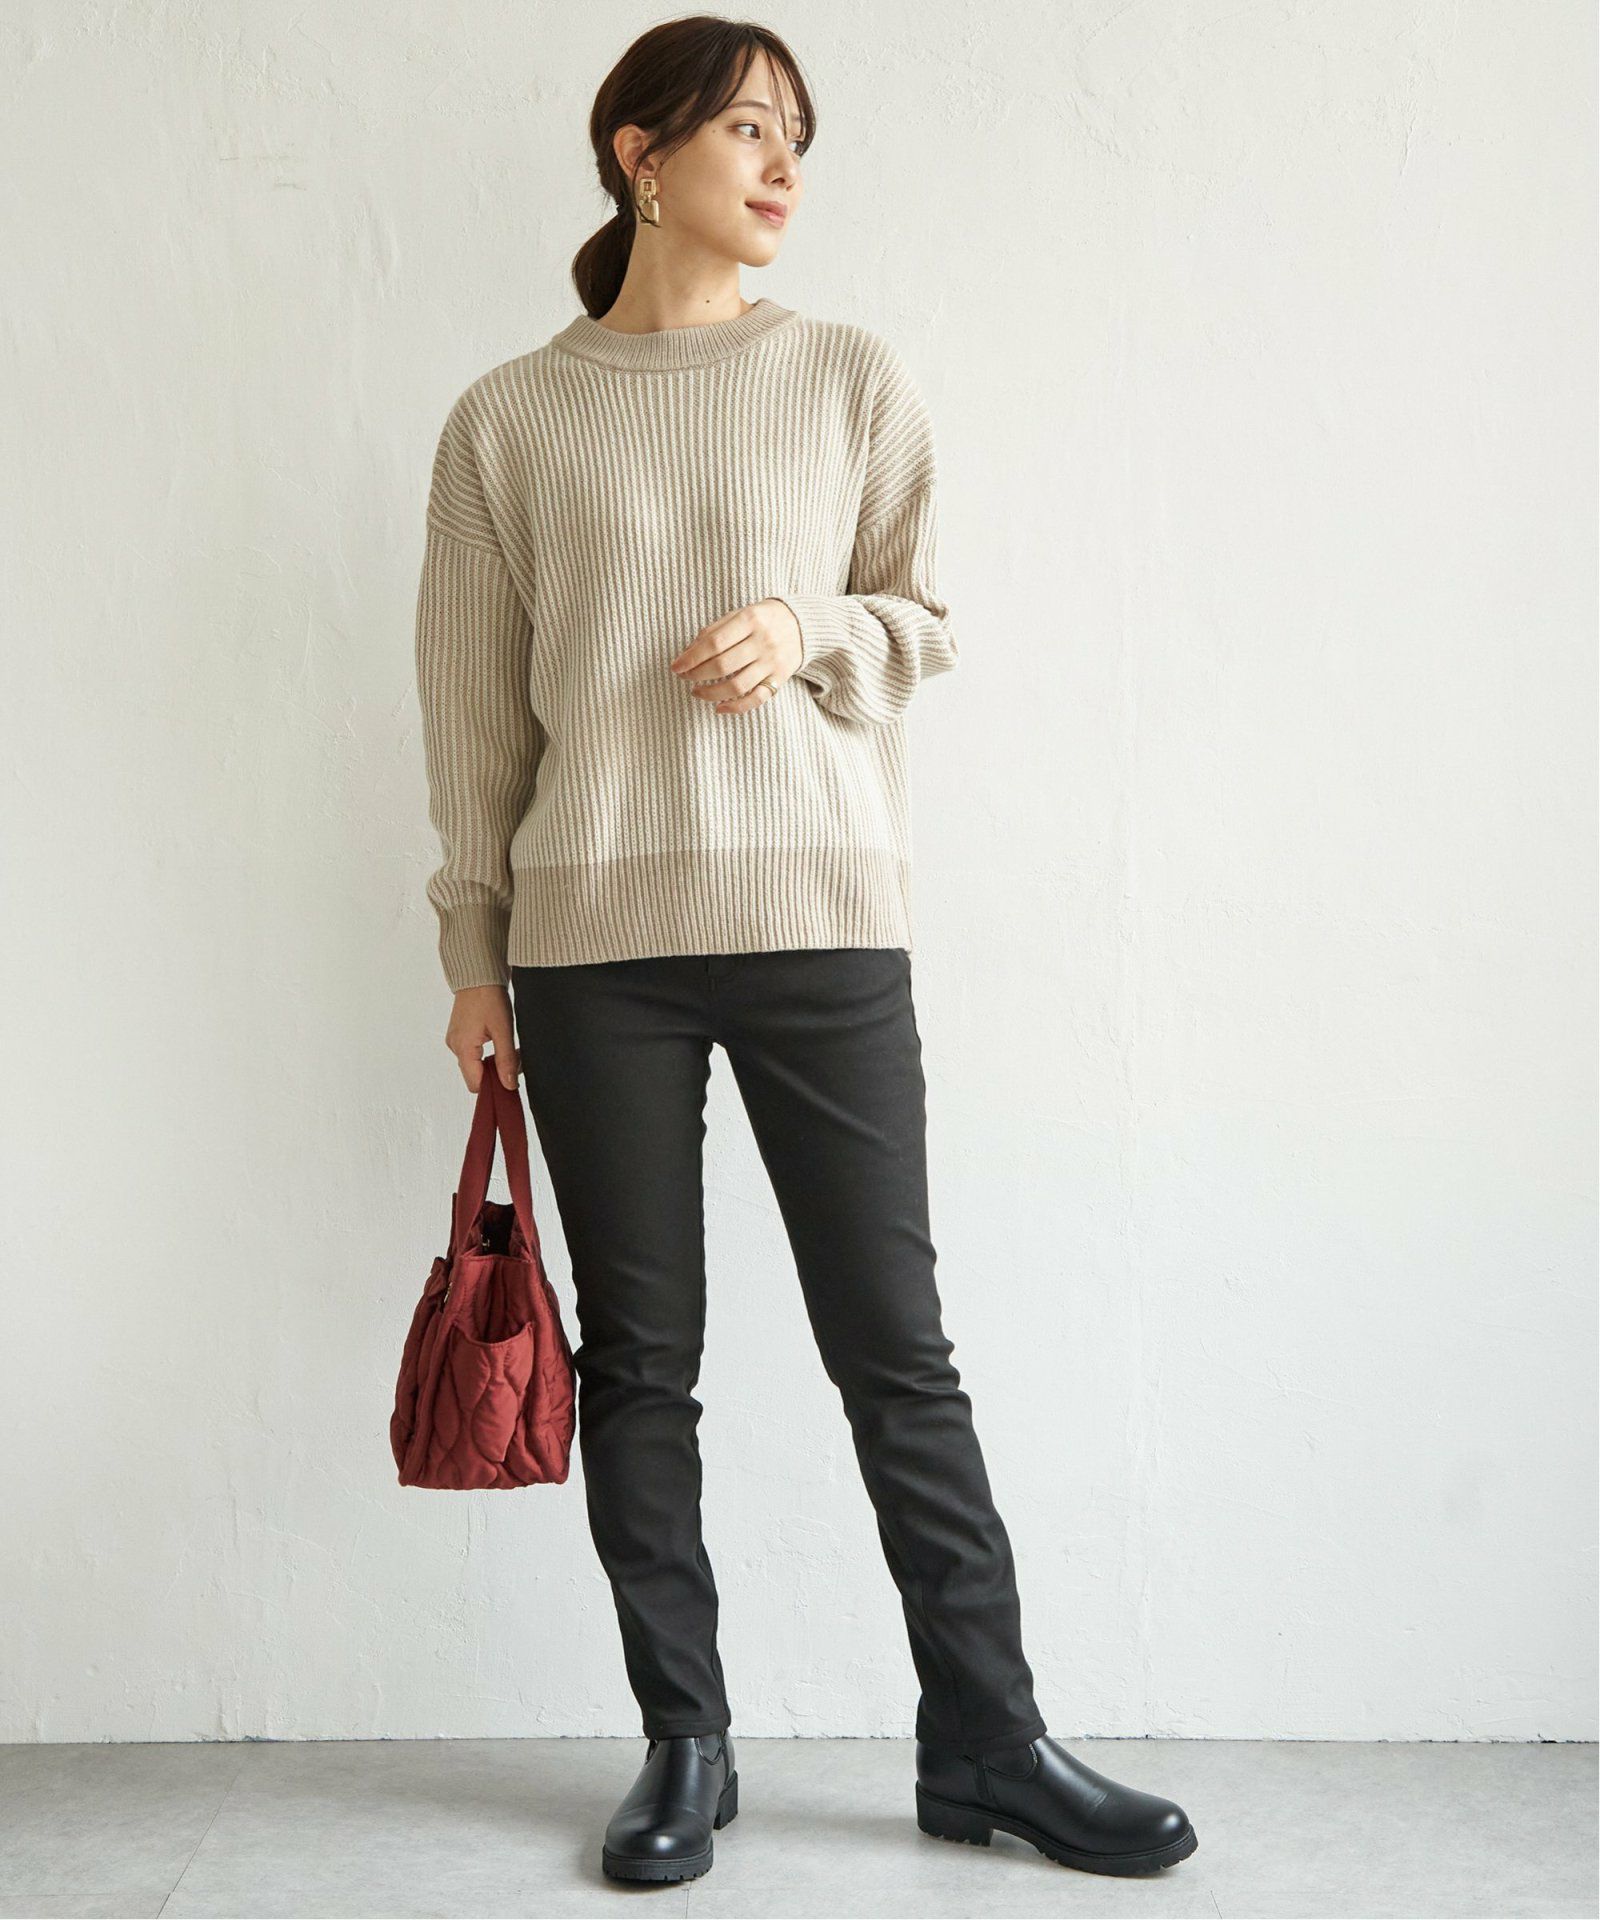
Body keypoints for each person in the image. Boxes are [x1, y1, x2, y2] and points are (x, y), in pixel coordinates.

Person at [412, 13, 1199, 1887]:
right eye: (747, 130)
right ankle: (685, 1742)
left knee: (895, 1350)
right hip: (595, 948)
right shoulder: (507, 420)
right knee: (642, 1363)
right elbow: (472, 718)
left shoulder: (848, 375)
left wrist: (808, 626)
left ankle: (988, 1741)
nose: (783, 167)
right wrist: (473, 954)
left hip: (822, 925)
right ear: (639, 154)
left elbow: (927, 618)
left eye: (796, 137)